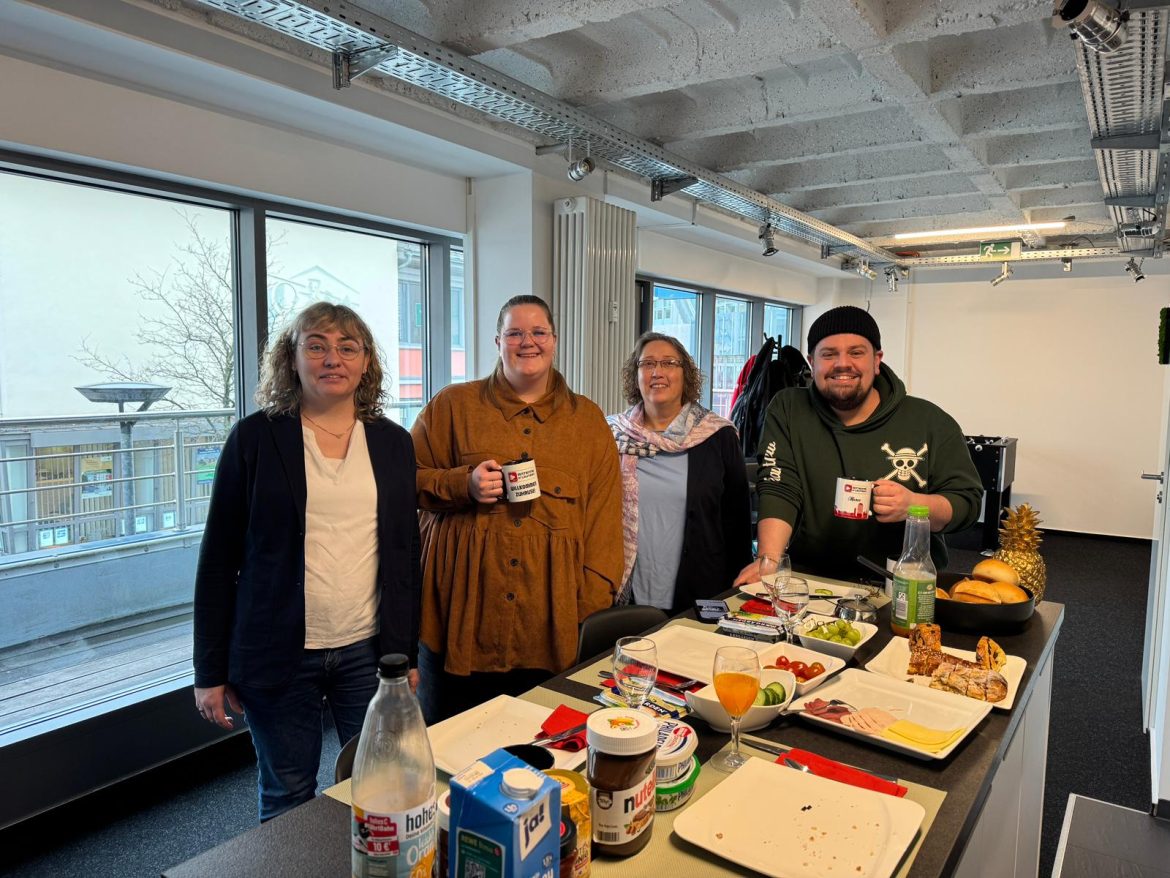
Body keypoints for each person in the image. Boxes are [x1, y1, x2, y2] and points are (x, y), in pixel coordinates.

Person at [193, 302, 422, 822]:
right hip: (278, 653)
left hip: (367, 652)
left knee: (382, 785)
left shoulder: (392, 443)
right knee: (288, 793)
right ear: (291, 359)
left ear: (366, 363)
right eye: (315, 345)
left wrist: (404, 653)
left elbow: (405, 556)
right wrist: (209, 669)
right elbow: (217, 561)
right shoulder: (254, 439)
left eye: (347, 347)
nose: (331, 358)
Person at [412, 294, 622, 723]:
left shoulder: (588, 422)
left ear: (555, 340)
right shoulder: (452, 406)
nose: (528, 342)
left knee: (543, 756)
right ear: (497, 341)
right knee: (450, 754)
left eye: (538, 332)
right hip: (459, 623)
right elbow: (406, 479)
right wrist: (461, 484)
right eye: (515, 333)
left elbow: (605, 524)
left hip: (549, 628)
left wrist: (584, 612)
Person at [735, 305, 983, 584]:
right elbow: (780, 487)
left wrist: (914, 505)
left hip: (901, 585)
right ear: (811, 362)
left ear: (877, 361)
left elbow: (967, 503)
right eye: (829, 354)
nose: (843, 363)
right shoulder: (788, 409)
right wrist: (768, 560)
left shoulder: (929, 421)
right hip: (809, 581)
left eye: (856, 352)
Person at [607, 332, 752, 613]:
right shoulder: (613, 436)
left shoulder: (717, 436)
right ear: (635, 375)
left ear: (685, 374)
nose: (657, 372)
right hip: (626, 593)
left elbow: (737, 523)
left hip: (701, 588)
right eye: (647, 364)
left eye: (668, 363)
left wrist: (737, 593)